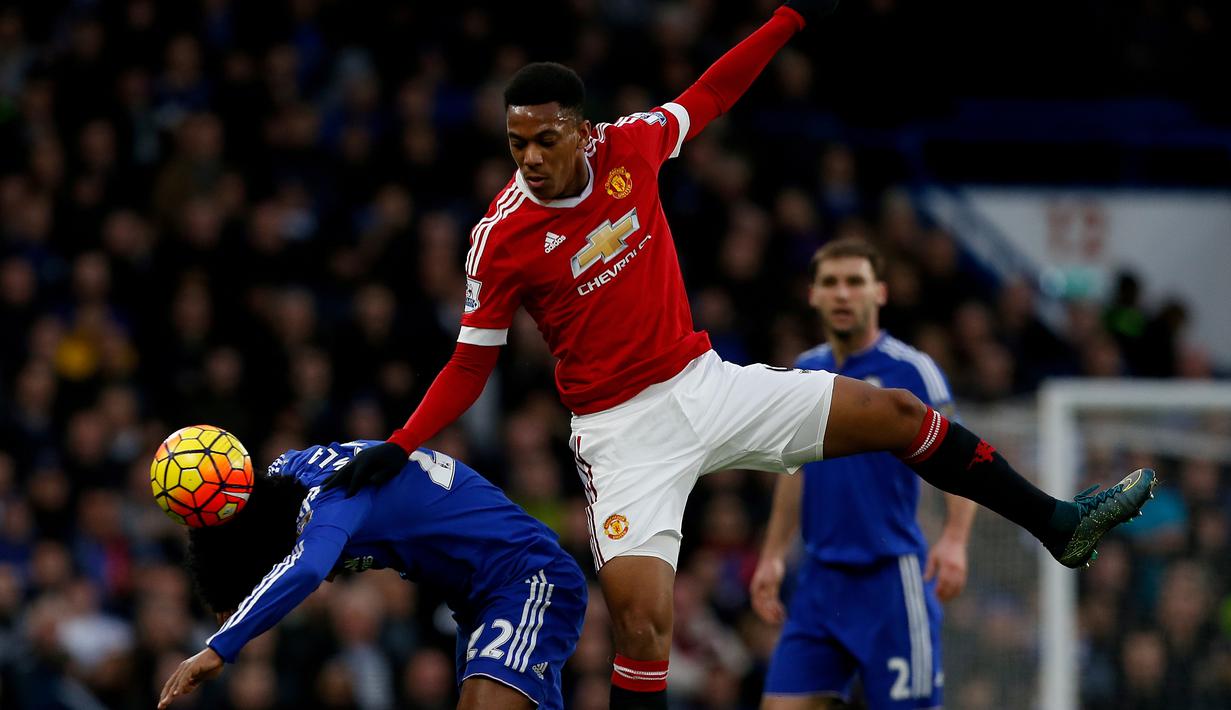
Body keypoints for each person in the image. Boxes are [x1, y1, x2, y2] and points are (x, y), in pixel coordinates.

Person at [323, 2, 1156, 708]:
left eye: (544, 140)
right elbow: (469, 364)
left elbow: (712, 91)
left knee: (901, 414)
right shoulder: (500, 238)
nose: (530, 159)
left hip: (705, 384)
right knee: (643, 624)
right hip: (619, 435)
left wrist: (788, 17)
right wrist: (401, 442)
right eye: (516, 144)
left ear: (580, 130)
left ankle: (1057, 523)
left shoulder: (632, 146)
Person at [157, 441, 587, 710]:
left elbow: (307, 568)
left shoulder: (333, 501)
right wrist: (227, 593)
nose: (333, 578)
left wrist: (221, 646)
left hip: (528, 577)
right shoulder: (288, 473)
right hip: (478, 603)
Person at [751, 239, 973, 709]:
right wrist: (772, 555)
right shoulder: (805, 371)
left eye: (855, 282)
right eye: (830, 283)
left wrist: (955, 538)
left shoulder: (912, 370)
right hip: (820, 582)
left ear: (880, 293)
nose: (842, 293)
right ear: (813, 295)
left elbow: (962, 460)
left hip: (890, 579)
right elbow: (793, 470)